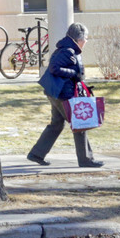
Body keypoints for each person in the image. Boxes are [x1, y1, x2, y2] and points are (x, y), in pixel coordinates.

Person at [28, 22, 102, 168]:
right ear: (79, 39)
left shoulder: (68, 49)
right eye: (85, 38)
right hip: (62, 94)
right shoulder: (67, 51)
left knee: (56, 124)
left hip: (57, 93)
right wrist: (73, 73)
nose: (86, 41)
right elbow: (54, 68)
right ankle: (86, 159)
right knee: (80, 124)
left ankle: (36, 154)